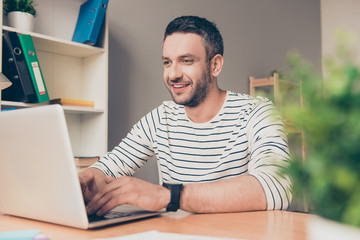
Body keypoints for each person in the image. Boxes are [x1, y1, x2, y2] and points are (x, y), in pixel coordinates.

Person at [80, 15, 292, 216]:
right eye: (167, 62)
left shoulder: (257, 111)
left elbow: (277, 186)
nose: (173, 74)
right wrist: (89, 178)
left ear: (215, 65)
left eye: (186, 60)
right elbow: (111, 164)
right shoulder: (160, 118)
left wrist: (169, 196)